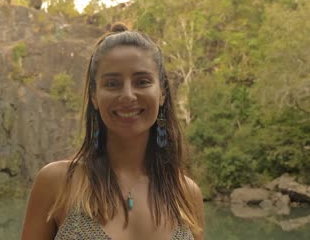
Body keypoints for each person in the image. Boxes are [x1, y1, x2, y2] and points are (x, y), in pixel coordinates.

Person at [21, 23, 204, 240]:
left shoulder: (186, 193)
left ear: (162, 92)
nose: (127, 95)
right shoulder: (58, 183)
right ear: (94, 96)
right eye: (112, 84)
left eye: (142, 81)